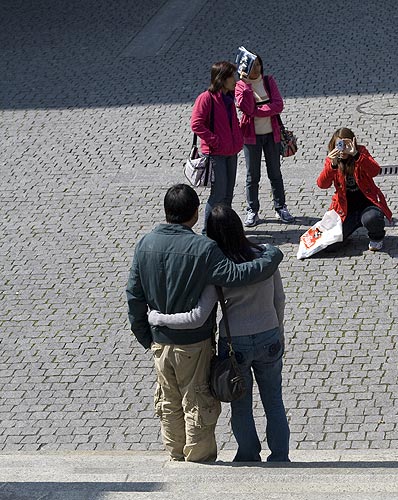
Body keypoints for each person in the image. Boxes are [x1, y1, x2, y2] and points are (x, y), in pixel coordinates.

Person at [125, 184, 283, 463]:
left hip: (173, 343)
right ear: (196, 212)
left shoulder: (145, 243)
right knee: (201, 402)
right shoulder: (206, 250)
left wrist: (148, 333)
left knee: (171, 403)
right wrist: (271, 257)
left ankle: (183, 457)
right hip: (207, 342)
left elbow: (134, 295)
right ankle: (206, 461)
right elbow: (242, 277)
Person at [235, 54, 294, 227]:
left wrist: (257, 110)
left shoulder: (268, 81)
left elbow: (278, 105)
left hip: (272, 135)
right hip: (251, 138)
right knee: (252, 176)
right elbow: (246, 107)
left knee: (275, 173)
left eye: (259, 65)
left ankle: (280, 207)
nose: (257, 69)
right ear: (245, 68)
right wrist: (246, 85)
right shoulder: (240, 86)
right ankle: (252, 210)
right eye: (253, 66)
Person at [317, 127, 393, 251]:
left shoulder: (360, 152)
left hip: (367, 205)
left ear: (352, 143)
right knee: (328, 246)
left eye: (345, 145)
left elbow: (375, 170)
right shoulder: (332, 160)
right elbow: (322, 184)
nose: (343, 149)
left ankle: (377, 237)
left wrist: (356, 155)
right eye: (339, 145)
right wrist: (332, 165)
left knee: (371, 218)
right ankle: (345, 236)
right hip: (346, 210)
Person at [191, 61, 244, 232]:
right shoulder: (206, 99)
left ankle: (224, 230)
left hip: (231, 151)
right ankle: (208, 232)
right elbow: (196, 124)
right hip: (215, 154)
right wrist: (214, 140)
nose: (235, 80)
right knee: (218, 195)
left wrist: (238, 137)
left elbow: (232, 121)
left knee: (228, 195)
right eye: (231, 76)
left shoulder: (229, 97)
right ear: (221, 79)